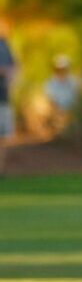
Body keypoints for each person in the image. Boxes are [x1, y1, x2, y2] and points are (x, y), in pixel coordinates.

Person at [45, 54, 80, 134]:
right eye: (60, 69)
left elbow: (77, 99)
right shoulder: (50, 83)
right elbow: (51, 101)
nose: (62, 71)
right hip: (58, 113)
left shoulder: (73, 81)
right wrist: (58, 113)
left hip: (71, 112)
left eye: (64, 68)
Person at [0, 22, 16, 175]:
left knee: (3, 136)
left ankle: (1, 169)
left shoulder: (5, 45)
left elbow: (13, 68)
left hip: (3, 98)